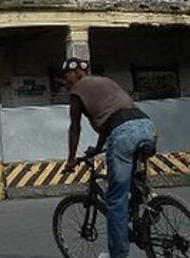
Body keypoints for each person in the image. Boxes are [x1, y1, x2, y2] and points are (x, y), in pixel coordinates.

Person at [62, 57, 155, 258]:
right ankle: (148, 206)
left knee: (115, 200)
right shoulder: (104, 82)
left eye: (66, 75)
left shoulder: (77, 90)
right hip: (146, 126)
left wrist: (71, 160)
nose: (65, 80)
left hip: (123, 133)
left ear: (76, 73)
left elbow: (75, 127)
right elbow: (110, 121)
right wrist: (97, 149)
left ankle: (118, 254)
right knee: (133, 182)